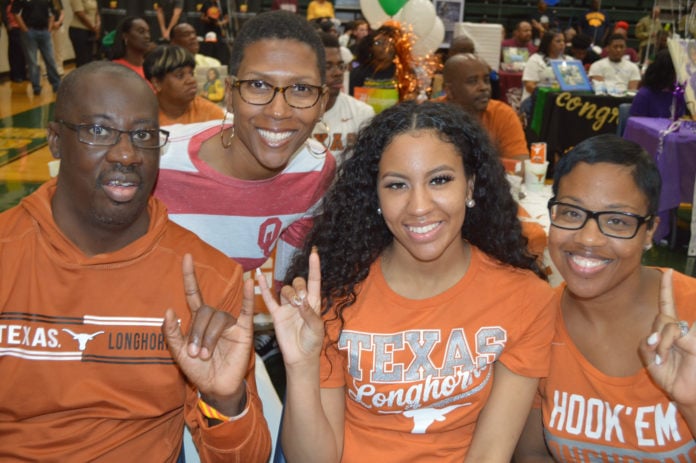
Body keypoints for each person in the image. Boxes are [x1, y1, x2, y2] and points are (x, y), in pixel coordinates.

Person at [0, 60, 271, 462]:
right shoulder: (9, 250)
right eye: (98, 131)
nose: (127, 154)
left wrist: (224, 399)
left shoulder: (206, 279)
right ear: (55, 140)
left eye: (143, 134)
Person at [259, 100, 556, 462]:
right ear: (377, 198)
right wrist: (302, 368)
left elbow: (491, 453)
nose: (419, 206)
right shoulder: (332, 296)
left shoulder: (526, 298)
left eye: (440, 180)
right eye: (397, 185)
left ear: (470, 186)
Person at [514, 134, 696, 461]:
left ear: (650, 231)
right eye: (571, 213)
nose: (588, 238)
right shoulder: (537, 322)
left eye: (616, 221)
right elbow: (532, 455)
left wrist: (690, 402)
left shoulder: (692, 315)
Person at [154, 10, 336, 290]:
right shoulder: (157, 160)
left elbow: (287, 288)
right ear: (229, 93)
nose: (278, 111)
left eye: (301, 88)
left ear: (323, 102)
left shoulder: (314, 169)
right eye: (258, 85)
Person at [444, 53, 528, 161]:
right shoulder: (430, 116)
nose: (484, 87)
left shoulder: (503, 114)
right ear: (450, 91)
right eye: (472, 81)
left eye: (486, 80)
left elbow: (519, 166)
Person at [313, 33, 375, 164]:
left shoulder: (362, 113)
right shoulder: (293, 114)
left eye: (341, 66)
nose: (338, 73)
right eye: (327, 67)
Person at [144, 45, 224, 126]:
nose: (191, 80)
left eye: (191, 73)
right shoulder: (141, 117)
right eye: (180, 75)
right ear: (157, 83)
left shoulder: (211, 114)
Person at [350, 23, 418, 101]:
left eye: (390, 43)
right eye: (379, 43)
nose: (386, 47)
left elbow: (412, 100)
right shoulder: (359, 72)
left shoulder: (405, 73)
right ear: (370, 47)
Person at [11, 0, 62, 95]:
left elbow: (51, 13)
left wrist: (49, 29)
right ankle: (36, 87)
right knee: (32, 61)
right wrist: (25, 29)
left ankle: (56, 84)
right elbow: (15, 13)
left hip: (44, 32)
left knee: (50, 59)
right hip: (29, 32)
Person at [521, 30, 570, 111]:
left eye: (563, 41)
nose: (562, 44)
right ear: (548, 44)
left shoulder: (569, 60)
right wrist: (548, 95)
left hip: (562, 100)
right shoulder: (535, 60)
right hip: (537, 99)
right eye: (558, 41)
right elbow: (529, 86)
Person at [630, 49, 686, 119]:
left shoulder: (678, 94)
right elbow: (635, 126)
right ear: (666, 72)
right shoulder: (645, 95)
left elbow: (681, 120)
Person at [110, 16, 155, 83]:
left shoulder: (153, 68)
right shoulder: (115, 69)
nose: (147, 36)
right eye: (141, 32)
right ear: (125, 36)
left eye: (148, 32)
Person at [68, 0, 101, 67]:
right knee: (82, 60)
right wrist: (93, 28)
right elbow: (80, 14)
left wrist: (98, 24)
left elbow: (97, 12)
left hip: (92, 30)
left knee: (90, 59)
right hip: (79, 31)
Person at [4, 0, 28, 83]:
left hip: (22, 27)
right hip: (13, 28)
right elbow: (4, 13)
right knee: (15, 52)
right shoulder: (5, 2)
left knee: (23, 52)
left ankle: (23, 74)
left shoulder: (21, 1)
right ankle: (16, 75)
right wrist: (7, 24)